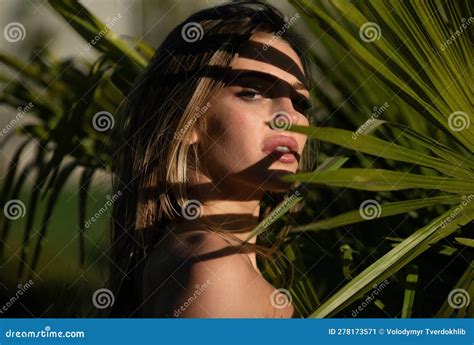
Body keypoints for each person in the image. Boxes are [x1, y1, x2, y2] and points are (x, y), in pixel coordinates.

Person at [109, 0, 315, 318]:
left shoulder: (191, 253)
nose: (288, 116)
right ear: (187, 120)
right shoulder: (214, 265)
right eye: (252, 92)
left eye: (300, 101)